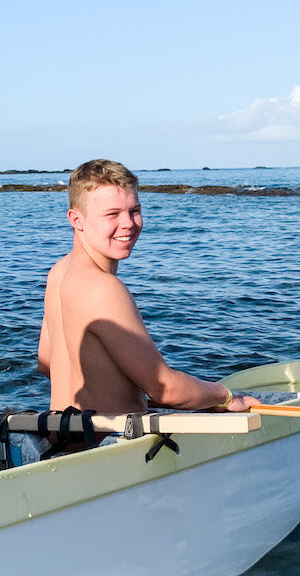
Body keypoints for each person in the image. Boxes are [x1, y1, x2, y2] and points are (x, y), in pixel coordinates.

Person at [38, 158, 260, 421]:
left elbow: (46, 361)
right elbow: (165, 389)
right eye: (112, 214)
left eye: (134, 210)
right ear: (77, 220)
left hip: (62, 439)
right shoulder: (103, 288)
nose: (129, 224)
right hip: (108, 448)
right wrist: (225, 397)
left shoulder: (59, 272)